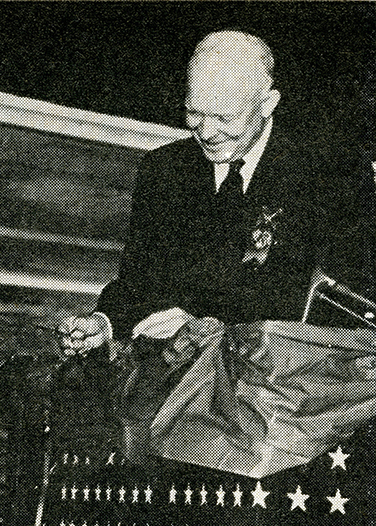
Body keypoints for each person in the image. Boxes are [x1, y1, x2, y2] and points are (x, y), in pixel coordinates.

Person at [59, 29, 376, 357]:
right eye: (194, 114)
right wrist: (106, 321)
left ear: (268, 104)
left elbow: (342, 306)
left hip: (280, 383)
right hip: (177, 373)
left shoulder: (333, 175)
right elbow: (140, 279)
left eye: (225, 118)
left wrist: (204, 329)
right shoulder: (163, 169)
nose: (207, 133)